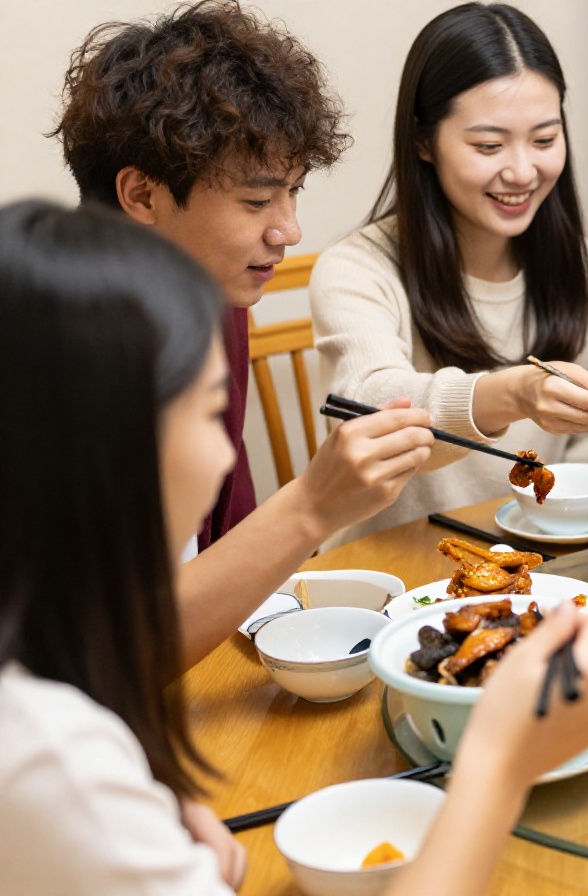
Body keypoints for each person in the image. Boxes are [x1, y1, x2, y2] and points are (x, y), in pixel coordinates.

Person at [0, 200, 588, 895]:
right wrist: (499, 765)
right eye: (210, 410)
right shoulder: (47, 756)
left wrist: (141, 830)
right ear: (98, 447)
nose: (288, 227)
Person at [51, 0, 435, 669]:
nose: (288, 230)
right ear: (142, 196)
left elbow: (225, 523)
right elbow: (119, 653)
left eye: (293, 193)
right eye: (258, 202)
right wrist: (313, 505)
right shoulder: (66, 361)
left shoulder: (213, 297)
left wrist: (285, 621)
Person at [312, 2, 588, 546]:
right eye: (488, 145)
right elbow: (367, 413)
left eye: (545, 140)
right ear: (422, 141)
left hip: (541, 570)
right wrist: (515, 393)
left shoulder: (580, 266)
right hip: (395, 577)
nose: (523, 171)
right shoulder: (357, 268)